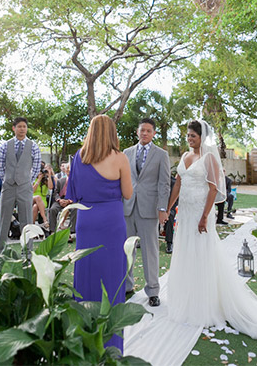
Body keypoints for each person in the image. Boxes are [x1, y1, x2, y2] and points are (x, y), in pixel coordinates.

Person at [164, 120, 257, 347]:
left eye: (193, 135)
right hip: (185, 213)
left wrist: (204, 216)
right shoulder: (184, 157)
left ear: (202, 137)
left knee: (201, 255)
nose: (189, 138)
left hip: (200, 214)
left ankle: (203, 305)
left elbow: (214, 188)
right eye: (187, 135)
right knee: (185, 255)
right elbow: (178, 184)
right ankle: (186, 299)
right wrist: (168, 207)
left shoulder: (209, 158)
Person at [66, 114, 133, 352]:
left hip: (86, 220)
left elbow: (72, 193)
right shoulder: (121, 158)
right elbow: (127, 193)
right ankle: (111, 346)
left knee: (86, 276)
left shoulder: (79, 157)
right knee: (112, 279)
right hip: (112, 223)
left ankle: (83, 341)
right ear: (112, 132)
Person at [123, 118, 171, 307]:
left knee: (150, 251)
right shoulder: (126, 153)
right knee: (127, 249)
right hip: (127, 207)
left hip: (150, 209)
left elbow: (164, 184)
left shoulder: (161, 155)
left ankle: (153, 290)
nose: (145, 133)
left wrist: (162, 209)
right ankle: (127, 285)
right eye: (142, 130)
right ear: (137, 132)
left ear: (153, 134)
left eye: (149, 131)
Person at [0, 117, 42, 253]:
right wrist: (6, 179)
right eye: (19, 126)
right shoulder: (5, 145)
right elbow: (0, 163)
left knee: (27, 220)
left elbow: (37, 165)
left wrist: (28, 181)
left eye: (24, 127)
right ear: (14, 128)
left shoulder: (33, 145)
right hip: (8, 186)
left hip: (25, 187)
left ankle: (27, 252)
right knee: (4, 219)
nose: (22, 129)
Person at [47, 163, 76, 239]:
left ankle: (70, 232)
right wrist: (59, 200)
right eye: (67, 169)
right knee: (53, 209)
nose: (68, 170)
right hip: (61, 199)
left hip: (71, 200)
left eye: (70, 169)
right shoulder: (60, 181)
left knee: (75, 209)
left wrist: (69, 201)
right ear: (65, 171)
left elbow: (78, 193)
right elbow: (55, 192)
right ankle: (52, 231)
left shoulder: (77, 181)